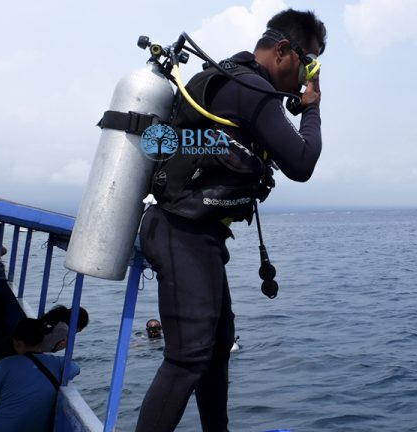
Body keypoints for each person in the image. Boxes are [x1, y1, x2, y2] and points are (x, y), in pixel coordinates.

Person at [135, 8, 326, 431]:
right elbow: (301, 161)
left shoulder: (231, 81)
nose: (307, 77)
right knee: (186, 359)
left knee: (217, 347)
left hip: (194, 233)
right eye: (310, 64)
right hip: (182, 230)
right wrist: (311, 108)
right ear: (283, 51)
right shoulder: (251, 89)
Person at [0, 318, 80, 432]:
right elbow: (76, 368)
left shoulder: (6, 365)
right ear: (42, 340)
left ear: (18, 343)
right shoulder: (58, 364)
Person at [0, 306, 88, 377]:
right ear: (76, 325)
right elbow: (41, 347)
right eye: (77, 331)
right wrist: (59, 347)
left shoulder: (53, 320)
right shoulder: (63, 329)